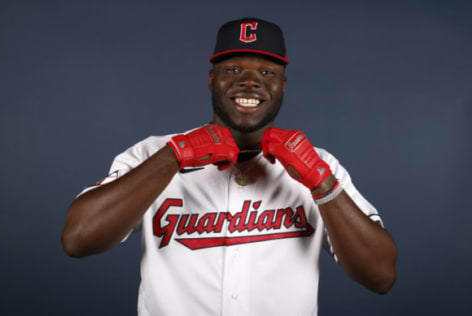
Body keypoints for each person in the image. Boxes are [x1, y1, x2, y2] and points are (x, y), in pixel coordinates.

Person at [62, 17, 397, 316]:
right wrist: (173, 156)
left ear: (282, 86)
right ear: (211, 80)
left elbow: (381, 275)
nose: (250, 82)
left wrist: (321, 184)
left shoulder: (319, 165)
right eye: (233, 70)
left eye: (267, 73)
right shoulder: (152, 154)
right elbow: (78, 239)